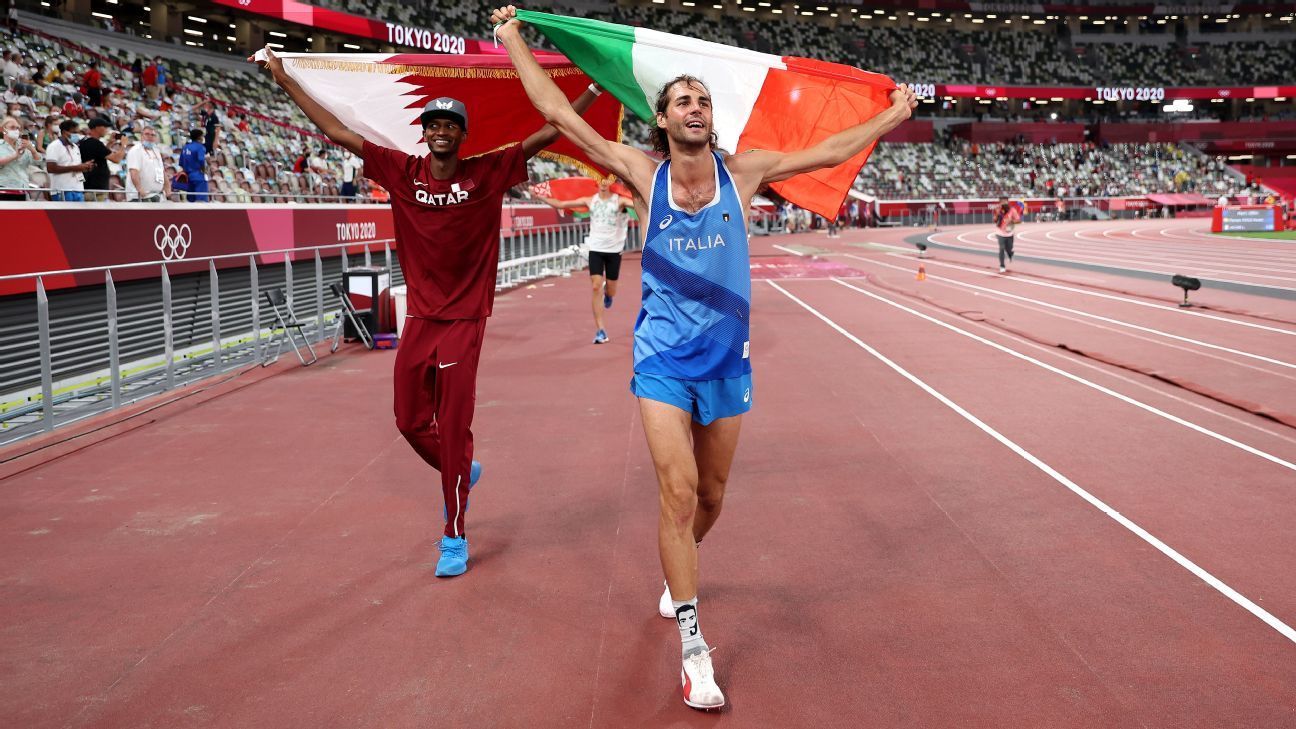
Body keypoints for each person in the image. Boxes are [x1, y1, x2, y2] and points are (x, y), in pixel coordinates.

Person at [494, 5, 915, 711]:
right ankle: (694, 645)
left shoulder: (743, 173)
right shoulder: (640, 171)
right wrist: (512, 40)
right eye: (684, 100)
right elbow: (559, 113)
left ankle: (679, 561)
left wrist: (890, 118)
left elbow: (830, 152)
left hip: (727, 360)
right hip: (661, 356)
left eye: (704, 101)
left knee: (711, 498)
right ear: (660, 119)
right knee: (678, 491)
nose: (698, 107)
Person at [256, 44, 602, 578]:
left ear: (462, 135)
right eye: (433, 123)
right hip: (419, 318)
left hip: (466, 321)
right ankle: (462, 471)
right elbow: (338, 134)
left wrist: (596, 90)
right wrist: (284, 80)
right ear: (424, 132)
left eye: (450, 124)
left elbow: (547, 133)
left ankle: (454, 535)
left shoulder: (488, 172)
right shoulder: (400, 170)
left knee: (454, 423)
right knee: (409, 421)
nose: (441, 130)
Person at [538, 175, 632, 343]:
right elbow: (561, 204)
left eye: (607, 180)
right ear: (596, 182)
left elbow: (637, 204)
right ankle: (600, 330)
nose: (603, 183)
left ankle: (609, 295)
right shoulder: (590, 201)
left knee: (611, 290)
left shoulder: (620, 202)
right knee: (596, 287)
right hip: (595, 249)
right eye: (600, 180)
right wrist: (538, 195)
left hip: (614, 251)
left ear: (612, 183)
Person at [45, 118, 94, 202]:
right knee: (64, 215)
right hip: (62, 190)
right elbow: (51, 168)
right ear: (64, 132)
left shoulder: (75, 147)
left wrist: (85, 167)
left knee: (79, 215)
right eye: (74, 132)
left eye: (78, 132)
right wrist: (76, 168)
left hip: (78, 189)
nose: (77, 135)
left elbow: (76, 166)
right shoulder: (54, 146)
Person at [77, 117, 125, 201]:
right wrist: (123, 145)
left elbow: (100, 155)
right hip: (95, 190)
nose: (106, 129)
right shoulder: (95, 143)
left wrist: (110, 143)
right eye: (104, 126)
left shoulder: (86, 141)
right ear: (97, 128)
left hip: (90, 188)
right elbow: (116, 159)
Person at [0, 115, 41, 201]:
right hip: (5, 189)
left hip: (23, 188)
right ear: (3, 130)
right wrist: (15, 156)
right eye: (12, 127)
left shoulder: (23, 145)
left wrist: (32, 149)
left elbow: (38, 162)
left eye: (17, 128)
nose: (16, 130)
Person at [125, 125, 168, 201]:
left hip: (156, 195)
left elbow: (162, 171)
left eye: (153, 135)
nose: (150, 137)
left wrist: (167, 186)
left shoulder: (156, 151)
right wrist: (140, 189)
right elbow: (134, 172)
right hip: (139, 196)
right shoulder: (135, 150)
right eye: (147, 134)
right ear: (141, 136)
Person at [178, 129, 208, 202]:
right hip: (198, 175)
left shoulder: (185, 147)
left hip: (187, 176)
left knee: (191, 201)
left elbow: (181, 162)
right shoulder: (200, 147)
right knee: (201, 201)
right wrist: (204, 171)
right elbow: (201, 160)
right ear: (200, 137)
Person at [994, 197, 1021, 273]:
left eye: (1005, 202)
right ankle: (1002, 266)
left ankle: (1010, 254)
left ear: (1008, 202)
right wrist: (997, 216)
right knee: (1001, 248)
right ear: (999, 203)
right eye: (1002, 202)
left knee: (1009, 249)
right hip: (1000, 233)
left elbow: (1018, 220)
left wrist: (1011, 221)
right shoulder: (997, 210)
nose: (1003, 203)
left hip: (1009, 233)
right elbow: (995, 220)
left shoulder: (1012, 210)